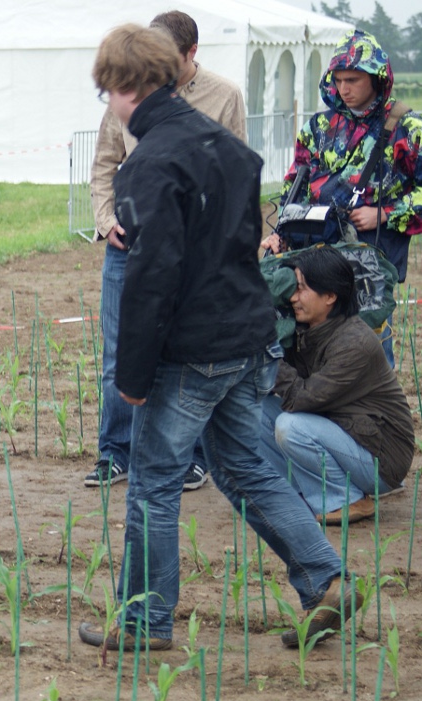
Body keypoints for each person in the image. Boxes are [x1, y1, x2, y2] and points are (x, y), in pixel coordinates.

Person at [78, 24, 356, 653]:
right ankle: (326, 579)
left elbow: (153, 278)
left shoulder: (149, 164)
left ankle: (146, 623)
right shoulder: (227, 149)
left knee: (152, 483)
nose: (111, 107)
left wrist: (133, 379)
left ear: (125, 88)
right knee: (246, 469)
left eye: (108, 95)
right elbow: (241, 246)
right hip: (249, 337)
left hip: (192, 350)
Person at [85, 10, 247, 493]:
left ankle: (192, 458)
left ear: (192, 54)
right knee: (119, 353)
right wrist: (106, 220)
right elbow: (103, 166)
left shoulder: (225, 96)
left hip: (188, 254)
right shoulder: (130, 90)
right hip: (127, 247)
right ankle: (115, 452)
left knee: (185, 352)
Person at [260, 30, 422, 366]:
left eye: (353, 79)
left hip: (370, 260)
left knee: (370, 352)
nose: (343, 89)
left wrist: (385, 214)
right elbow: (296, 187)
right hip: (315, 258)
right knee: (307, 349)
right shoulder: (318, 127)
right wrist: (281, 233)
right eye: (338, 79)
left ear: (377, 78)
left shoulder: (408, 127)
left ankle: (374, 417)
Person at [259, 245, 413, 525]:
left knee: (290, 427)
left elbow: (299, 399)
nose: (293, 297)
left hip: (380, 457)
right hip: (342, 434)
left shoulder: (354, 342)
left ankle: (347, 499)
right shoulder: (304, 329)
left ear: (330, 296)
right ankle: (296, 495)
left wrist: (270, 351)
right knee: (254, 408)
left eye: (302, 288)